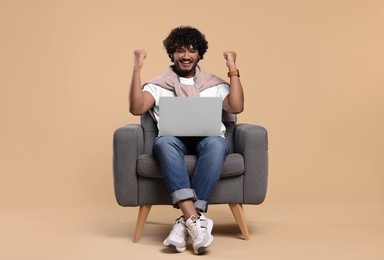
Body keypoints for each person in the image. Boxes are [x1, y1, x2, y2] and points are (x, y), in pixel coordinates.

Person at [129, 26, 244, 254]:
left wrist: (232, 69)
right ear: (171, 54)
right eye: (180, 50)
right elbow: (136, 107)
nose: (186, 56)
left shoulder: (214, 84)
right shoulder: (158, 85)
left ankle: (186, 222)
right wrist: (137, 68)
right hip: (174, 142)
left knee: (217, 143)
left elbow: (237, 106)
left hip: (208, 140)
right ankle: (195, 219)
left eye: (192, 50)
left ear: (199, 54)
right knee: (162, 143)